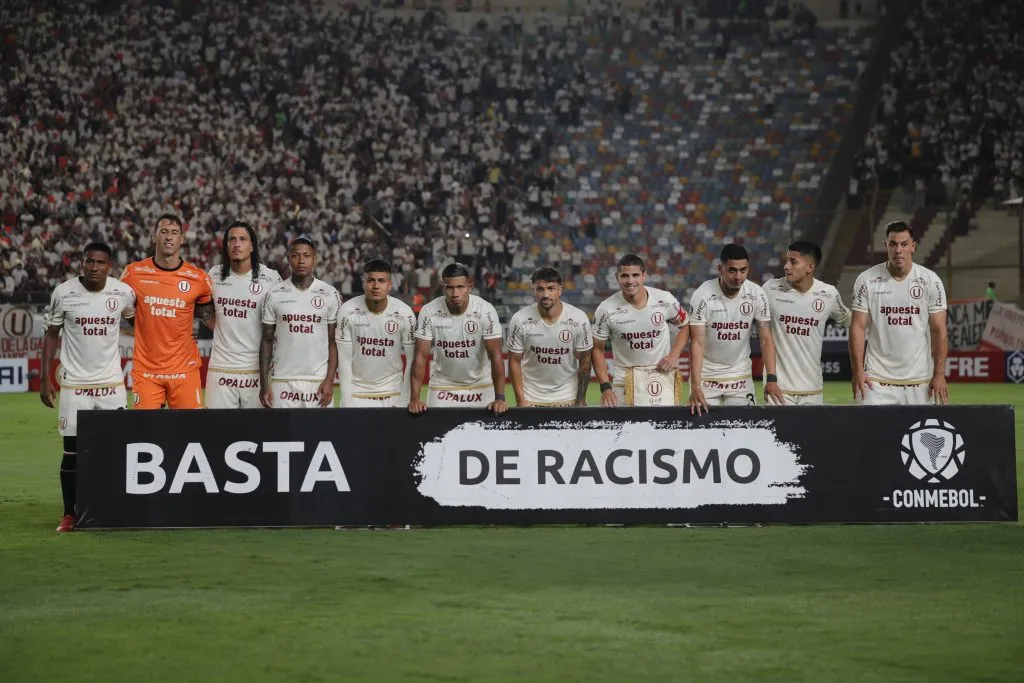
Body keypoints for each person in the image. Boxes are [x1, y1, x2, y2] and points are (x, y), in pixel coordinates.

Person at [40, 242, 136, 532]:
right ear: (83, 263)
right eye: (89, 261)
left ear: (110, 266)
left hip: (111, 384)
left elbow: (138, 325)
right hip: (75, 385)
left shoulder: (122, 293)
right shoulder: (64, 293)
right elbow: (51, 335)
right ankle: (69, 514)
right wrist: (45, 379)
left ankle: (114, 509)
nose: (94, 267)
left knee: (116, 450)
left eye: (100, 262)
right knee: (72, 451)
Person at [120, 214, 215, 409]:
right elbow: (123, 309)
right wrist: (146, 327)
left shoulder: (198, 278)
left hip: (184, 370)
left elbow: (210, 318)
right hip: (147, 371)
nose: (169, 237)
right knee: (145, 433)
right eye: (163, 232)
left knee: (188, 432)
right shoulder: (133, 273)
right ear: (155, 237)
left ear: (181, 239)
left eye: (174, 233)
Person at [850, 221, 949, 405]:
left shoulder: (930, 281)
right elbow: (857, 327)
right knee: (872, 434)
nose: (898, 250)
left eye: (904, 244)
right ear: (885, 245)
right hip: (876, 382)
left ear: (913, 247)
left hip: (920, 382)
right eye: (893, 244)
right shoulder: (866, 280)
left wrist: (939, 374)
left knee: (919, 434)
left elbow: (939, 331)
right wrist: (857, 372)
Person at [688, 243, 783, 414]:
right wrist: (695, 385)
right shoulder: (702, 296)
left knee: (745, 432)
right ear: (720, 268)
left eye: (743, 270)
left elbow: (765, 338)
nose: (738, 276)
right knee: (703, 432)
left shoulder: (757, 294)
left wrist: (771, 378)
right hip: (707, 376)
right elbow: (697, 343)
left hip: (740, 375)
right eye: (732, 270)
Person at [591, 254, 689, 406]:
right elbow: (597, 349)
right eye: (625, 276)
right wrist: (605, 388)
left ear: (644, 276)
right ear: (617, 277)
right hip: (624, 384)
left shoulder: (665, 300)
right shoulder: (606, 309)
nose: (630, 281)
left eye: (635, 275)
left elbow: (685, 325)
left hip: (661, 378)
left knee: (664, 428)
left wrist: (674, 356)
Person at [408, 262, 505, 414]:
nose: (455, 293)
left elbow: (496, 356)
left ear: (469, 287)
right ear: (443, 288)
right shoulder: (429, 311)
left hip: (480, 385)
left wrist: (500, 397)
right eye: (450, 287)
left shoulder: (485, 310)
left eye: (460, 287)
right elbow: (420, 356)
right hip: (442, 385)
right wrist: (414, 398)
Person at [763, 241, 851, 405]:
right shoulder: (770, 289)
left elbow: (851, 321)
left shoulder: (828, 294)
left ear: (810, 267)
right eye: (787, 260)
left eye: (793, 262)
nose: (786, 266)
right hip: (778, 389)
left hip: (812, 390)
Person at [204, 221, 282, 408]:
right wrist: (221, 326)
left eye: (242, 239)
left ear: (252, 245)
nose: (237, 244)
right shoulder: (214, 275)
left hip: (257, 371)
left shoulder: (271, 278)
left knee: (257, 433)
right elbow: (204, 310)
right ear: (226, 245)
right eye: (232, 239)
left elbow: (281, 320)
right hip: (221, 369)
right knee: (216, 432)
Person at [259, 236, 341, 408]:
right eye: (296, 256)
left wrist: (329, 380)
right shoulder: (275, 294)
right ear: (289, 259)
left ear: (315, 259)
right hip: (282, 380)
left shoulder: (329, 293)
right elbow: (266, 339)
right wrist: (265, 384)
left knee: (321, 435)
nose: (301, 260)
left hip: (318, 382)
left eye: (306, 255)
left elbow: (333, 342)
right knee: (284, 435)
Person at [507, 266, 593, 407]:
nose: (545, 294)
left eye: (551, 288)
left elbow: (586, 360)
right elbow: (514, 362)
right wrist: (520, 400)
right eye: (540, 289)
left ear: (560, 290)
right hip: (530, 399)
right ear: (533, 290)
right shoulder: (520, 319)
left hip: (568, 398)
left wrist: (581, 399)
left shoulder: (578, 318)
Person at [337, 259, 416, 407]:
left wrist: (405, 400)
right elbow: (344, 360)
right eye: (371, 280)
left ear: (390, 285)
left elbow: (412, 360)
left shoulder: (405, 313)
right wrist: (347, 401)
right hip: (357, 393)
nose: (376, 286)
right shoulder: (347, 311)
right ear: (363, 283)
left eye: (381, 281)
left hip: (393, 393)